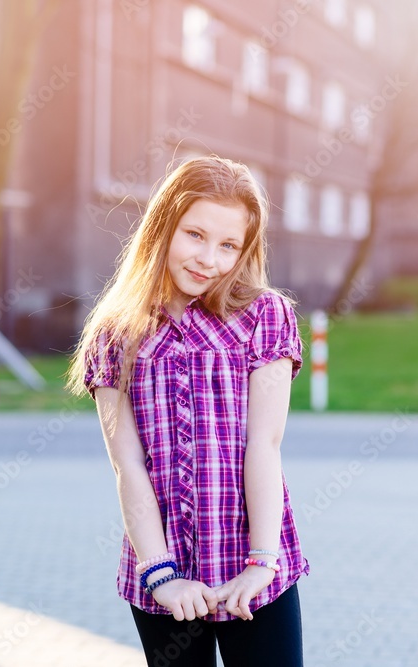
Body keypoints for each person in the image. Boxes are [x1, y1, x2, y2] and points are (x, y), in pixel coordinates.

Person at [66, 156, 307, 666]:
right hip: (164, 574)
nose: (208, 259)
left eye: (228, 245)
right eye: (194, 234)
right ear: (162, 229)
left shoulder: (265, 317)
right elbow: (126, 463)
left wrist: (262, 562)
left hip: (254, 571)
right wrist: (162, 574)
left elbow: (264, 445)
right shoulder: (117, 332)